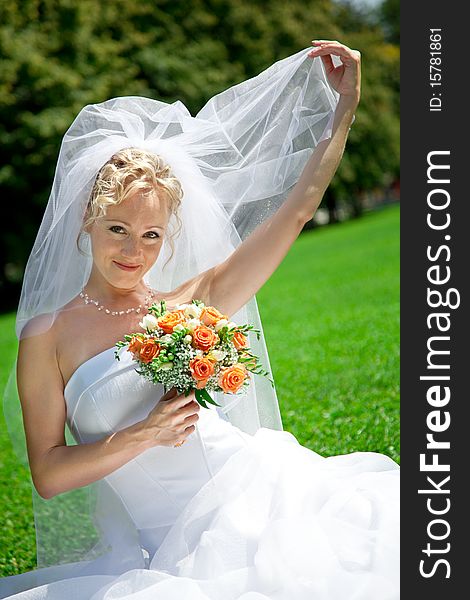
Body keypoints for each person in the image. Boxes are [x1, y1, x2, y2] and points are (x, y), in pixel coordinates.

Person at [1, 40, 399, 599]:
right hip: (170, 544)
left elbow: (298, 211)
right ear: (88, 221)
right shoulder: (45, 338)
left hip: (257, 491)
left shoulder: (190, 301)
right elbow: (48, 473)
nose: (132, 251)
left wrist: (345, 110)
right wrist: (144, 434)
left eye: (151, 235)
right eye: (117, 229)